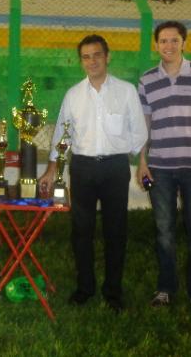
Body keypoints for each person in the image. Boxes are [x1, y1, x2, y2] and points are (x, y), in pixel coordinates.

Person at [39, 34, 147, 313]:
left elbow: (139, 132)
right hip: (83, 168)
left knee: (116, 231)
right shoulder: (73, 95)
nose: (92, 61)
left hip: (114, 168)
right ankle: (85, 287)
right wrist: (52, 168)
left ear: (107, 56)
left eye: (97, 55)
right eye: (86, 57)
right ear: (81, 61)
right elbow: (63, 135)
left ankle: (113, 292)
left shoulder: (125, 91)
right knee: (81, 230)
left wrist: (131, 154)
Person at [137, 21, 191, 316]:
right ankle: (165, 288)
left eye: (174, 40)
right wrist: (143, 161)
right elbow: (144, 124)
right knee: (163, 231)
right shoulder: (147, 79)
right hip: (159, 167)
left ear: (184, 42)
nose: (168, 46)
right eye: (163, 41)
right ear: (155, 45)